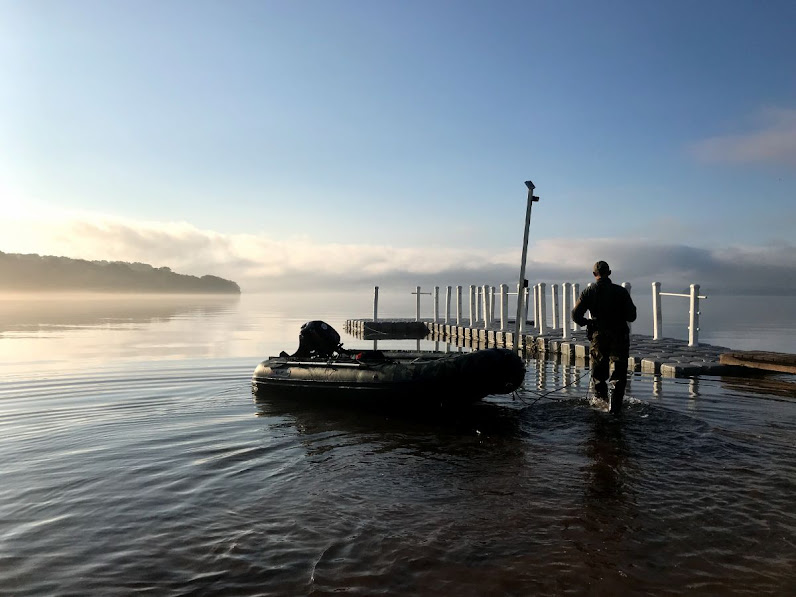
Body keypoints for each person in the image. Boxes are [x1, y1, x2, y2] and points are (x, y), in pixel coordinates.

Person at [571, 261, 637, 413]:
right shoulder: (621, 292)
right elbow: (632, 316)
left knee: (599, 375)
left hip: (598, 337)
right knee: (618, 374)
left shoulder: (589, 292)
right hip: (619, 336)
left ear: (594, 274)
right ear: (610, 273)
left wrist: (588, 322)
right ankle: (615, 410)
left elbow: (575, 315)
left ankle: (601, 407)